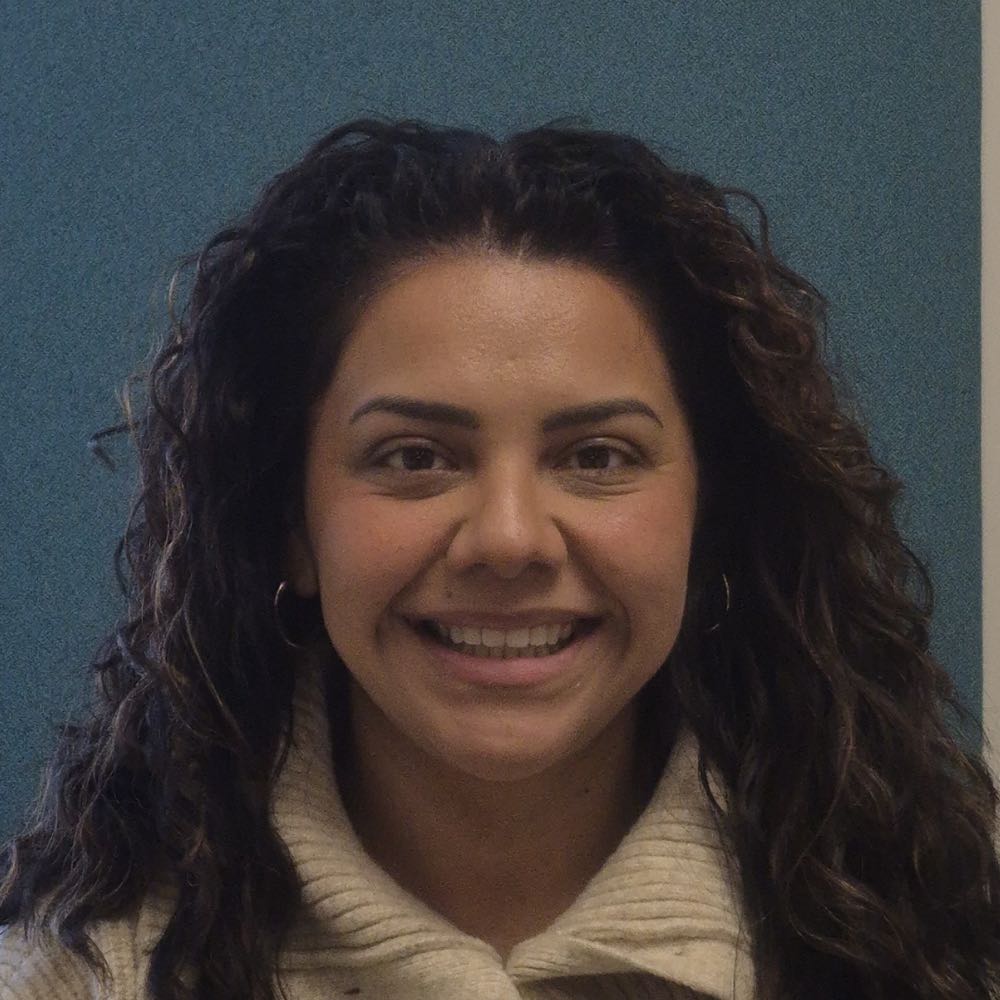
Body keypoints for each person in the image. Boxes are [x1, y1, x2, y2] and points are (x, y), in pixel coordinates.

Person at [0, 118, 997, 1000]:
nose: (510, 539)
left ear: (708, 517)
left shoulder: (945, 947)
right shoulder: (73, 980)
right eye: (415, 457)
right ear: (292, 526)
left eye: (596, 456)